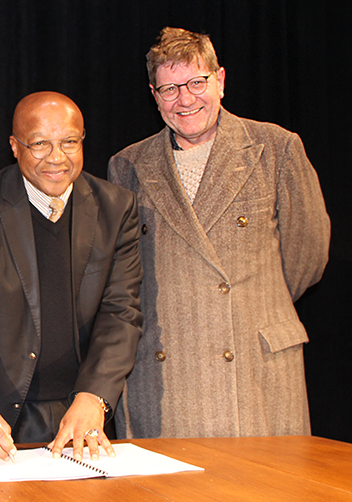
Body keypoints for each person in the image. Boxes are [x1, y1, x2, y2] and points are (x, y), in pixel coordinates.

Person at [107, 27, 331, 439]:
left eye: (196, 82)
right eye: (170, 89)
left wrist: (251, 306)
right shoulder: (128, 166)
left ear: (220, 80)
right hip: (166, 375)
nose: (185, 99)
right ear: (154, 95)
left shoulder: (275, 148)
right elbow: (123, 278)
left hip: (255, 368)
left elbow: (308, 256)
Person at [0, 91, 143, 463]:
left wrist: (94, 396)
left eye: (69, 142)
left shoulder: (116, 207)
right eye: (40, 144)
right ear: (15, 146)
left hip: (82, 413)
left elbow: (121, 313)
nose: (56, 158)